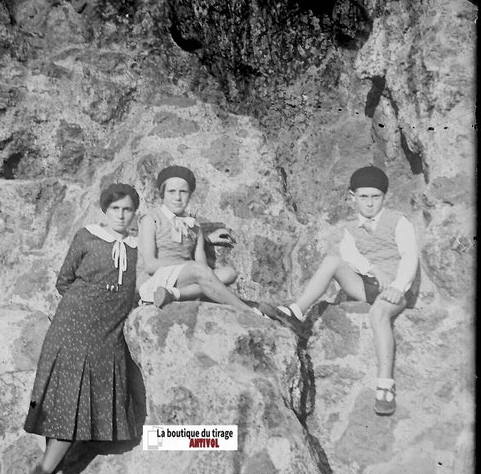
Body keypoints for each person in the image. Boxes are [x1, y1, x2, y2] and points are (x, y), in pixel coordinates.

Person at [14, 183, 144, 474]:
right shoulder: (86, 236)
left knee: (80, 407)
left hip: (107, 336)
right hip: (72, 327)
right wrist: (86, 306)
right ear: (104, 210)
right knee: (64, 401)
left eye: (127, 209)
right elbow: (64, 280)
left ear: (134, 213)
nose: (121, 214)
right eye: (115, 208)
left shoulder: (139, 248)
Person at [261, 165, 418, 416]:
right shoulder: (349, 227)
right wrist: (373, 269)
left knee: (378, 314)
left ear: (384, 198)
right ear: (352, 197)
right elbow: (349, 254)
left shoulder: (399, 222)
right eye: (363, 197)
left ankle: (385, 385)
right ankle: (296, 311)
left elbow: (410, 257)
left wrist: (398, 287)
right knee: (332, 261)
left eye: (375, 197)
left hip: (396, 289)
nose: (369, 203)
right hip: (369, 284)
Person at [137, 165, 258, 314]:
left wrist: (195, 260)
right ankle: (245, 309)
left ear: (190, 194)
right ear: (162, 194)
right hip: (156, 279)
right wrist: (188, 265)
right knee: (199, 270)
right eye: (171, 192)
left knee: (229, 273)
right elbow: (150, 265)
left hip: (184, 280)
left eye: (183, 192)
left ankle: (174, 294)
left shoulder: (194, 226)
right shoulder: (151, 219)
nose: (177, 197)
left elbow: (203, 267)